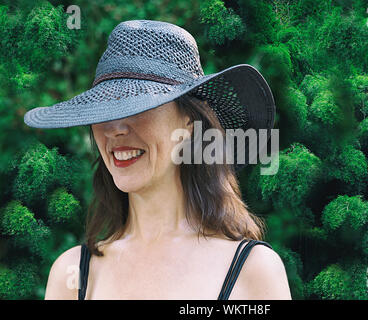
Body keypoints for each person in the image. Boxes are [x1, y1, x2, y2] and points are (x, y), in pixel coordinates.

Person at [24, 20, 291, 300]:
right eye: (104, 111)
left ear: (188, 124)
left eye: (139, 107)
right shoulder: (73, 274)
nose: (116, 129)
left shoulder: (252, 270)